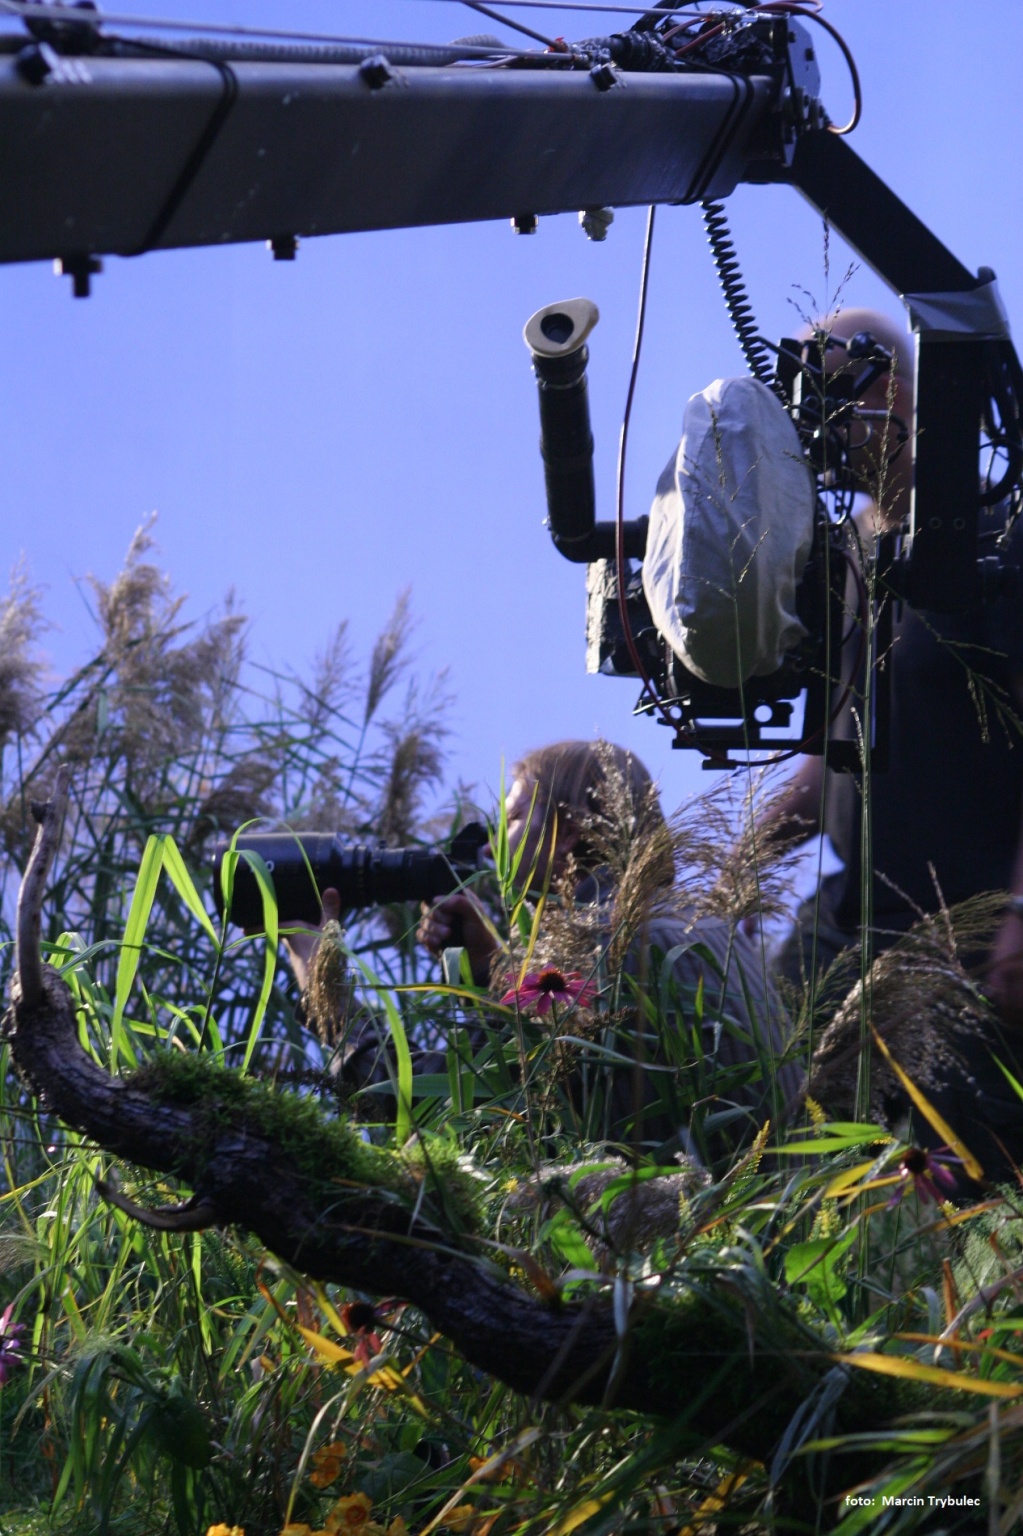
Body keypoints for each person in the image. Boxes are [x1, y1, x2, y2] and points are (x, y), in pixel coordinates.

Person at [754, 309, 1023, 1175]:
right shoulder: (845, 558)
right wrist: (729, 873)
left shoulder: (997, 536)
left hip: (968, 925)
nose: (817, 421)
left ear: (900, 390)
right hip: (845, 920)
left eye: (834, 392)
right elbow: (830, 748)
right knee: (766, 1109)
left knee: (961, 1171)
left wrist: (1019, 915)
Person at [416, 740, 801, 1168]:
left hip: (681, 1203)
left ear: (566, 833)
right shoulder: (705, 924)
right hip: (768, 1198)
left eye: (513, 819)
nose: (491, 849)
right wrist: (491, 967)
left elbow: (476, 1103)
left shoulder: (603, 938)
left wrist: (351, 1026)